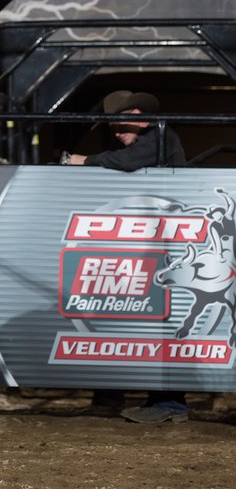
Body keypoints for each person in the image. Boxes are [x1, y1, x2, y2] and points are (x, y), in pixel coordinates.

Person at [63, 89, 188, 423]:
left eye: (122, 125)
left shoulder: (159, 136)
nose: (118, 133)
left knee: (163, 317)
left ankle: (169, 402)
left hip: (164, 244)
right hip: (148, 243)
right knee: (139, 317)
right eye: (114, 127)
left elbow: (127, 162)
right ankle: (126, 393)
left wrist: (84, 161)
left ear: (139, 115)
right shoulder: (146, 140)